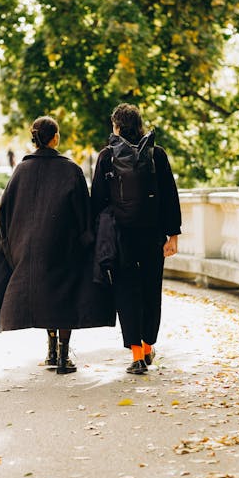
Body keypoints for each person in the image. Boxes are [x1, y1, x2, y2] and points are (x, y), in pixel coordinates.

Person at [0, 116, 115, 374]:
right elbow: (84, 214)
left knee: (44, 293)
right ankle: (62, 356)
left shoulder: (20, 172)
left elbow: (5, 214)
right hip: (64, 246)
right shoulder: (71, 170)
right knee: (66, 298)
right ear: (55, 138)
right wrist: (86, 243)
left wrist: (13, 247)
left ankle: (50, 350)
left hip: (28, 248)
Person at [91, 103, 181, 375]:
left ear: (116, 127)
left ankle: (137, 356)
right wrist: (173, 234)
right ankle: (148, 344)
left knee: (126, 291)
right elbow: (169, 196)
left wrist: (97, 236)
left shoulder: (107, 156)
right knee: (151, 290)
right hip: (153, 235)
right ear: (140, 125)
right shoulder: (157, 155)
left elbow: (97, 201)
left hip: (121, 237)